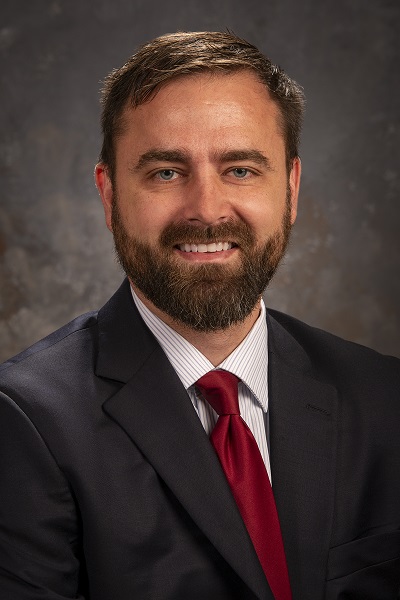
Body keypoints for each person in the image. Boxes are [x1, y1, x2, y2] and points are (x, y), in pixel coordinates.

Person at [0, 31, 399, 600]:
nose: (207, 210)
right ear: (109, 194)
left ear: (290, 188)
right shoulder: (24, 422)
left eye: (240, 169)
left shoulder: (384, 397)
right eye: (165, 172)